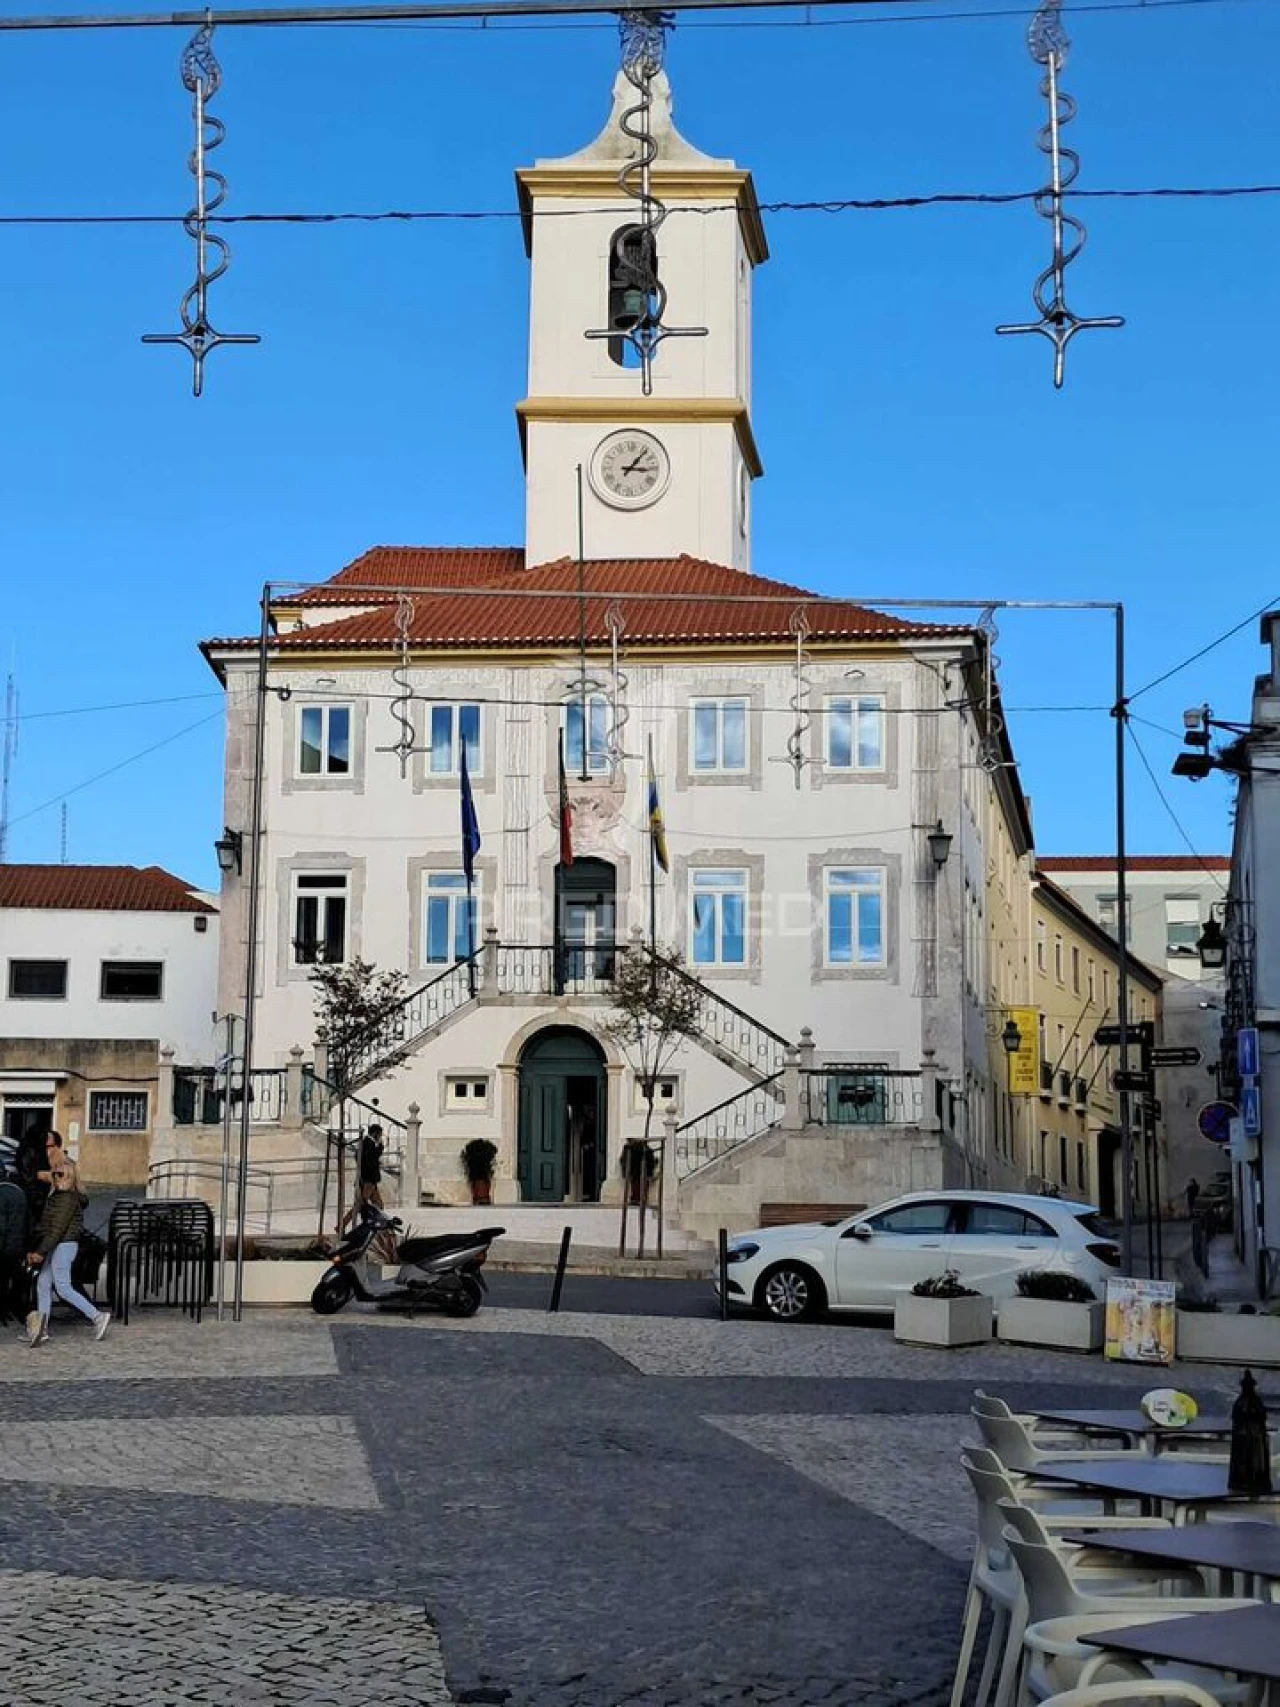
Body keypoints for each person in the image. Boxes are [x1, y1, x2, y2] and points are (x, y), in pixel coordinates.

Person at [25, 1157, 110, 1347]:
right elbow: (48, 1228)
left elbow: (57, 1229)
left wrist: (40, 1251)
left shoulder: (67, 1199)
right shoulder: (58, 1197)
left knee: (62, 1286)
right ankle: (42, 1328)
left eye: (61, 1173)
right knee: (43, 1283)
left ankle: (97, 1316)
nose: (57, 1177)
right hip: (58, 1245)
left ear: (71, 1176)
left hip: (63, 1245)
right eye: (54, 1173)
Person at [0, 1171, 29, 1326]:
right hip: (19, 1246)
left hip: (4, 1248)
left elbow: (2, 1227)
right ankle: (16, 1310)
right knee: (17, 1280)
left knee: (2, 1281)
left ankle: (3, 1313)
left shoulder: (1, 1194)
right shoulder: (19, 1192)